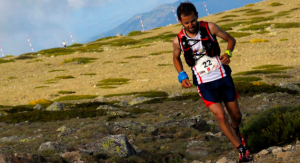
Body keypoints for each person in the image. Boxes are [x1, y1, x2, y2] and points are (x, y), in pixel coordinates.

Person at [172, 2, 253, 162]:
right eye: (186, 22)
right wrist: (182, 76)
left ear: (197, 15)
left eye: (193, 20)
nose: (191, 24)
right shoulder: (178, 40)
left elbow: (231, 40)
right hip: (204, 84)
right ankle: (241, 149)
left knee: (236, 116)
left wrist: (228, 53)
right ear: (180, 21)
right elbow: (176, 58)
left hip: (223, 77)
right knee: (221, 116)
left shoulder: (210, 27)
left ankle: (235, 129)